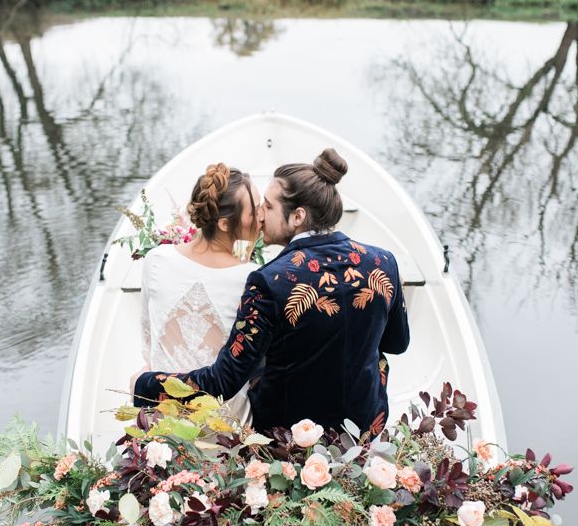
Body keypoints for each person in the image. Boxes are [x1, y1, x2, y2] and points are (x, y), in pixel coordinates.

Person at [133, 148, 410, 436]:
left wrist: (144, 385)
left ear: (297, 216)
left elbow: (225, 380)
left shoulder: (269, 280)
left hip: (291, 437)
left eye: (267, 206)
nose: (260, 216)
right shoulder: (384, 262)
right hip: (364, 424)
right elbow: (398, 343)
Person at [136, 162, 259, 420]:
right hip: (226, 429)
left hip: (163, 418)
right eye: (255, 211)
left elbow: (149, 345)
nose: (261, 219)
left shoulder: (156, 259)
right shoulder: (252, 277)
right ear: (225, 224)